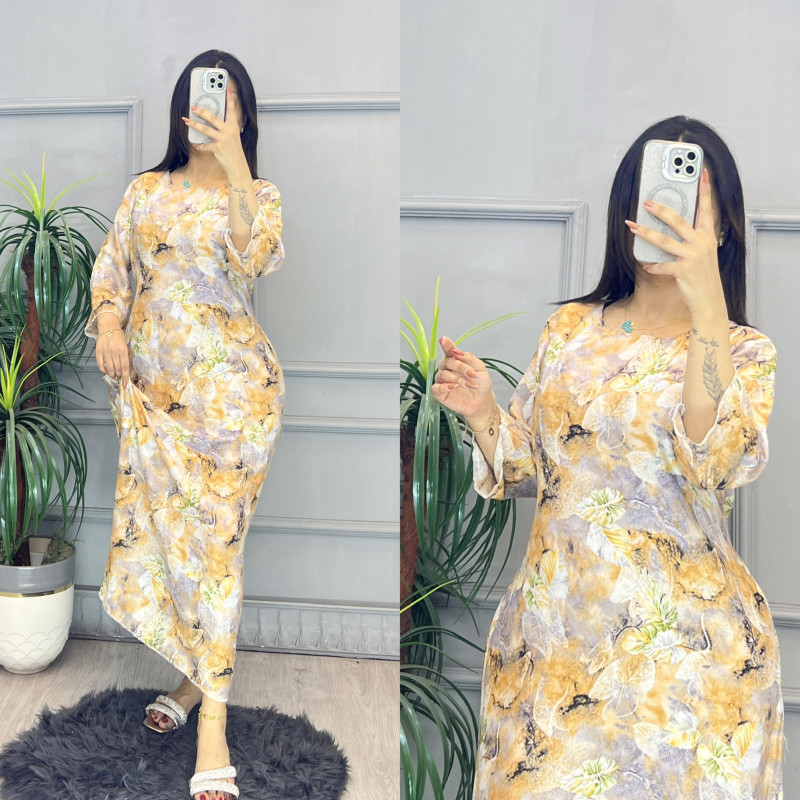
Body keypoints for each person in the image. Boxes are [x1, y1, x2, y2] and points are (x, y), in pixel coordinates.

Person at [433, 117, 782, 799]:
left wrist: (706, 308)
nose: (666, 216)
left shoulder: (744, 351)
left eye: (690, 204)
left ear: (724, 229)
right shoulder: (569, 329)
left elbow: (714, 461)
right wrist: (482, 413)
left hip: (687, 661)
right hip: (555, 644)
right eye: (653, 198)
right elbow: (532, 471)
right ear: (627, 211)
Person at [85, 50, 285, 800]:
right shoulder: (145, 191)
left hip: (235, 406)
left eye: (225, 104)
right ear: (182, 110)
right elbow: (112, 271)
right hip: (154, 403)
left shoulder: (256, 194)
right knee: (173, 548)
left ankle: (213, 726)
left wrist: (235, 165)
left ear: (244, 116)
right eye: (203, 101)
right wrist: (110, 324)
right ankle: (194, 679)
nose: (210, 113)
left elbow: (255, 258)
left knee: (216, 555)